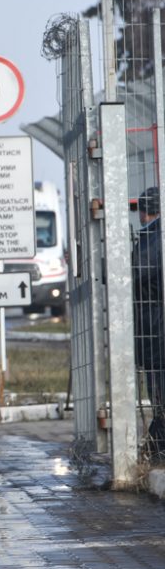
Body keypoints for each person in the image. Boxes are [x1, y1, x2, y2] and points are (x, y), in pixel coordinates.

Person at [133, 186, 165, 457]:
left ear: (144, 212)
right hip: (156, 321)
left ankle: (158, 445)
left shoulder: (152, 239)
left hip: (155, 324)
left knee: (158, 387)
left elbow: (135, 273)